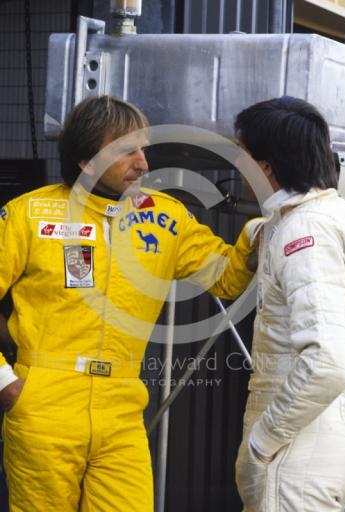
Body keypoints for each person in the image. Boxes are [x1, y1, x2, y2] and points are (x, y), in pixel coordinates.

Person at [0, 95, 257, 512]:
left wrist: (262, 232)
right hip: (42, 406)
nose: (143, 164)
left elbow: (228, 276)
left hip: (123, 409)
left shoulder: (166, 217)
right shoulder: (29, 213)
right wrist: (6, 385)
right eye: (126, 152)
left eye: (143, 149)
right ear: (86, 162)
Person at [234, 96, 345, 511]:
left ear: (266, 167)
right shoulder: (323, 216)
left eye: (242, 153)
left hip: (293, 456)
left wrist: (263, 442)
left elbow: (328, 361)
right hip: (310, 443)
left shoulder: (306, 231)